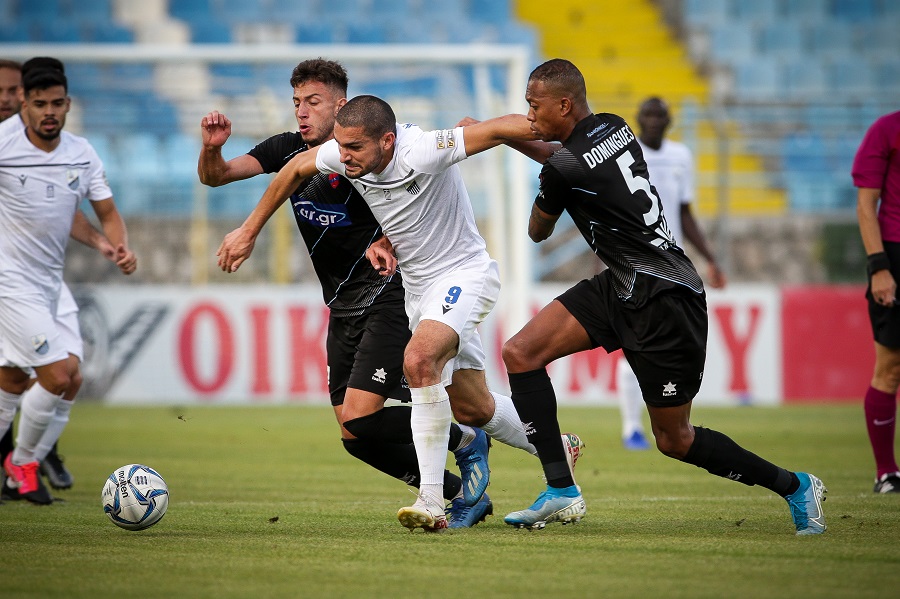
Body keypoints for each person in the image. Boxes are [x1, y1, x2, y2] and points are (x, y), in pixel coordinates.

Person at [495, 59, 826, 535]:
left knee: (675, 439)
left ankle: (796, 486)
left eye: (534, 105)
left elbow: (537, 231)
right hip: (623, 283)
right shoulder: (614, 126)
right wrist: (511, 139)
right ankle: (561, 491)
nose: (527, 115)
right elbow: (564, 158)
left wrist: (506, 141)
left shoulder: (562, 170)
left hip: (666, 300)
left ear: (564, 105)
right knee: (520, 353)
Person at [217, 95, 572, 531]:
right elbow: (293, 169)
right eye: (341, 147)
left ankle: (432, 501)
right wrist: (249, 230)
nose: (342, 158)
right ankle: (554, 447)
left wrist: (572, 139)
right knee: (472, 406)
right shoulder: (341, 153)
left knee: (418, 360)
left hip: (464, 274)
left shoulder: (423, 149)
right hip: (420, 292)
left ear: (387, 141)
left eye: (354, 149)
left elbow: (497, 129)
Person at [0, 57, 135, 501]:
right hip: (10, 281)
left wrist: (112, 245)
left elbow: (102, 212)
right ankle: (22, 466)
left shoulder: (81, 152)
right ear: (25, 102)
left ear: (68, 103)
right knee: (57, 374)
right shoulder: (3, 146)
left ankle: (19, 468)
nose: (49, 112)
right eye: (40, 103)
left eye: (57, 103)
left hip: (49, 284)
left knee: (46, 379)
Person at [616, 97, 727, 451]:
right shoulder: (626, 154)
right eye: (646, 115)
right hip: (636, 263)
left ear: (669, 120)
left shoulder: (681, 156)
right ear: (638, 119)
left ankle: (673, 422)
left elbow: (685, 212)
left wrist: (710, 258)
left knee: (671, 347)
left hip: (674, 267)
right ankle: (631, 426)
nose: (652, 120)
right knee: (632, 344)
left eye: (658, 115)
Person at [853, 110, 900, 494]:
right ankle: (887, 472)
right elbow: (866, 205)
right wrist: (879, 266)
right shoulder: (886, 129)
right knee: (890, 367)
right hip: (895, 256)